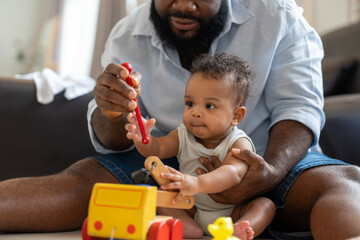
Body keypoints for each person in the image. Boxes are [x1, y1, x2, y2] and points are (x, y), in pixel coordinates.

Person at [0, 0, 359, 239]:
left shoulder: (277, 17)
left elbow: (299, 110)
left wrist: (270, 171)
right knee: (86, 180)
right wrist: (113, 114)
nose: (184, 5)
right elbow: (120, 141)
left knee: (343, 183)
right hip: (173, 174)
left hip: (271, 159)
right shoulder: (127, 34)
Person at [125, 53, 275, 239]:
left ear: (236, 116)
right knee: (160, 196)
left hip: (232, 211)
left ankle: (237, 230)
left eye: (209, 106)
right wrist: (143, 139)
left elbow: (232, 173)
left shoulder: (238, 141)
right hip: (190, 206)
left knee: (265, 205)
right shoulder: (183, 134)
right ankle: (188, 228)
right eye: (190, 103)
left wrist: (197, 183)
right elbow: (158, 149)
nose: (195, 112)